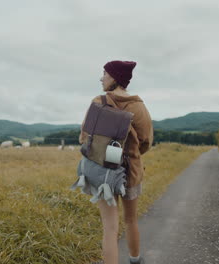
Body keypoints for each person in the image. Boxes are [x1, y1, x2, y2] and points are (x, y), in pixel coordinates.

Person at [79, 60, 154, 264]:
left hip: (104, 172)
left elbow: (84, 137)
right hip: (130, 171)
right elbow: (146, 141)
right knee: (130, 220)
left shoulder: (98, 101)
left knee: (109, 228)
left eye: (104, 73)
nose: (101, 78)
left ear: (114, 77)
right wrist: (132, 154)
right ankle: (135, 259)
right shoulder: (138, 106)